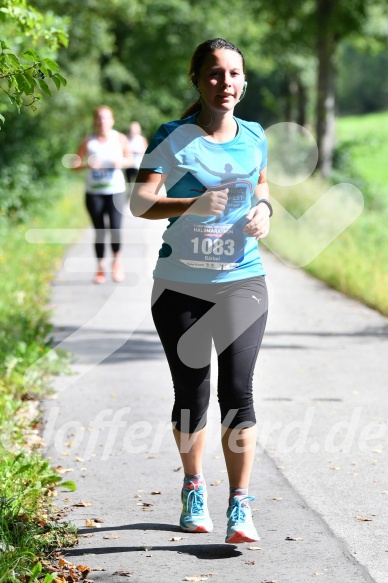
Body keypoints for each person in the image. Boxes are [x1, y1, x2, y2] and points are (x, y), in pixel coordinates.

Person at [130, 38, 272, 544]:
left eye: (234, 74)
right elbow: (141, 203)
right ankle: (194, 485)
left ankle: (240, 504)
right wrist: (189, 205)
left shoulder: (254, 135)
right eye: (214, 74)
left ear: (244, 81)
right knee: (192, 396)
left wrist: (265, 210)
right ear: (196, 78)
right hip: (179, 287)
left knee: (239, 392)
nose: (225, 83)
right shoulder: (173, 137)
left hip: (242, 281)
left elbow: (260, 183)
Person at [74, 105, 132, 284]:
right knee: (99, 231)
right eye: (99, 118)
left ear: (112, 120)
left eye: (106, 118)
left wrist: (120, 162)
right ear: (95, 121)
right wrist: (87, 165)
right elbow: (73, 164)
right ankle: (100, 268)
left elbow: (130, 160)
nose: (102, 121)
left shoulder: (119, 138)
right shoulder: (88, 141)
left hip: (115, 191)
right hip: (94, 193)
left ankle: (116, 263)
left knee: (115, 228)